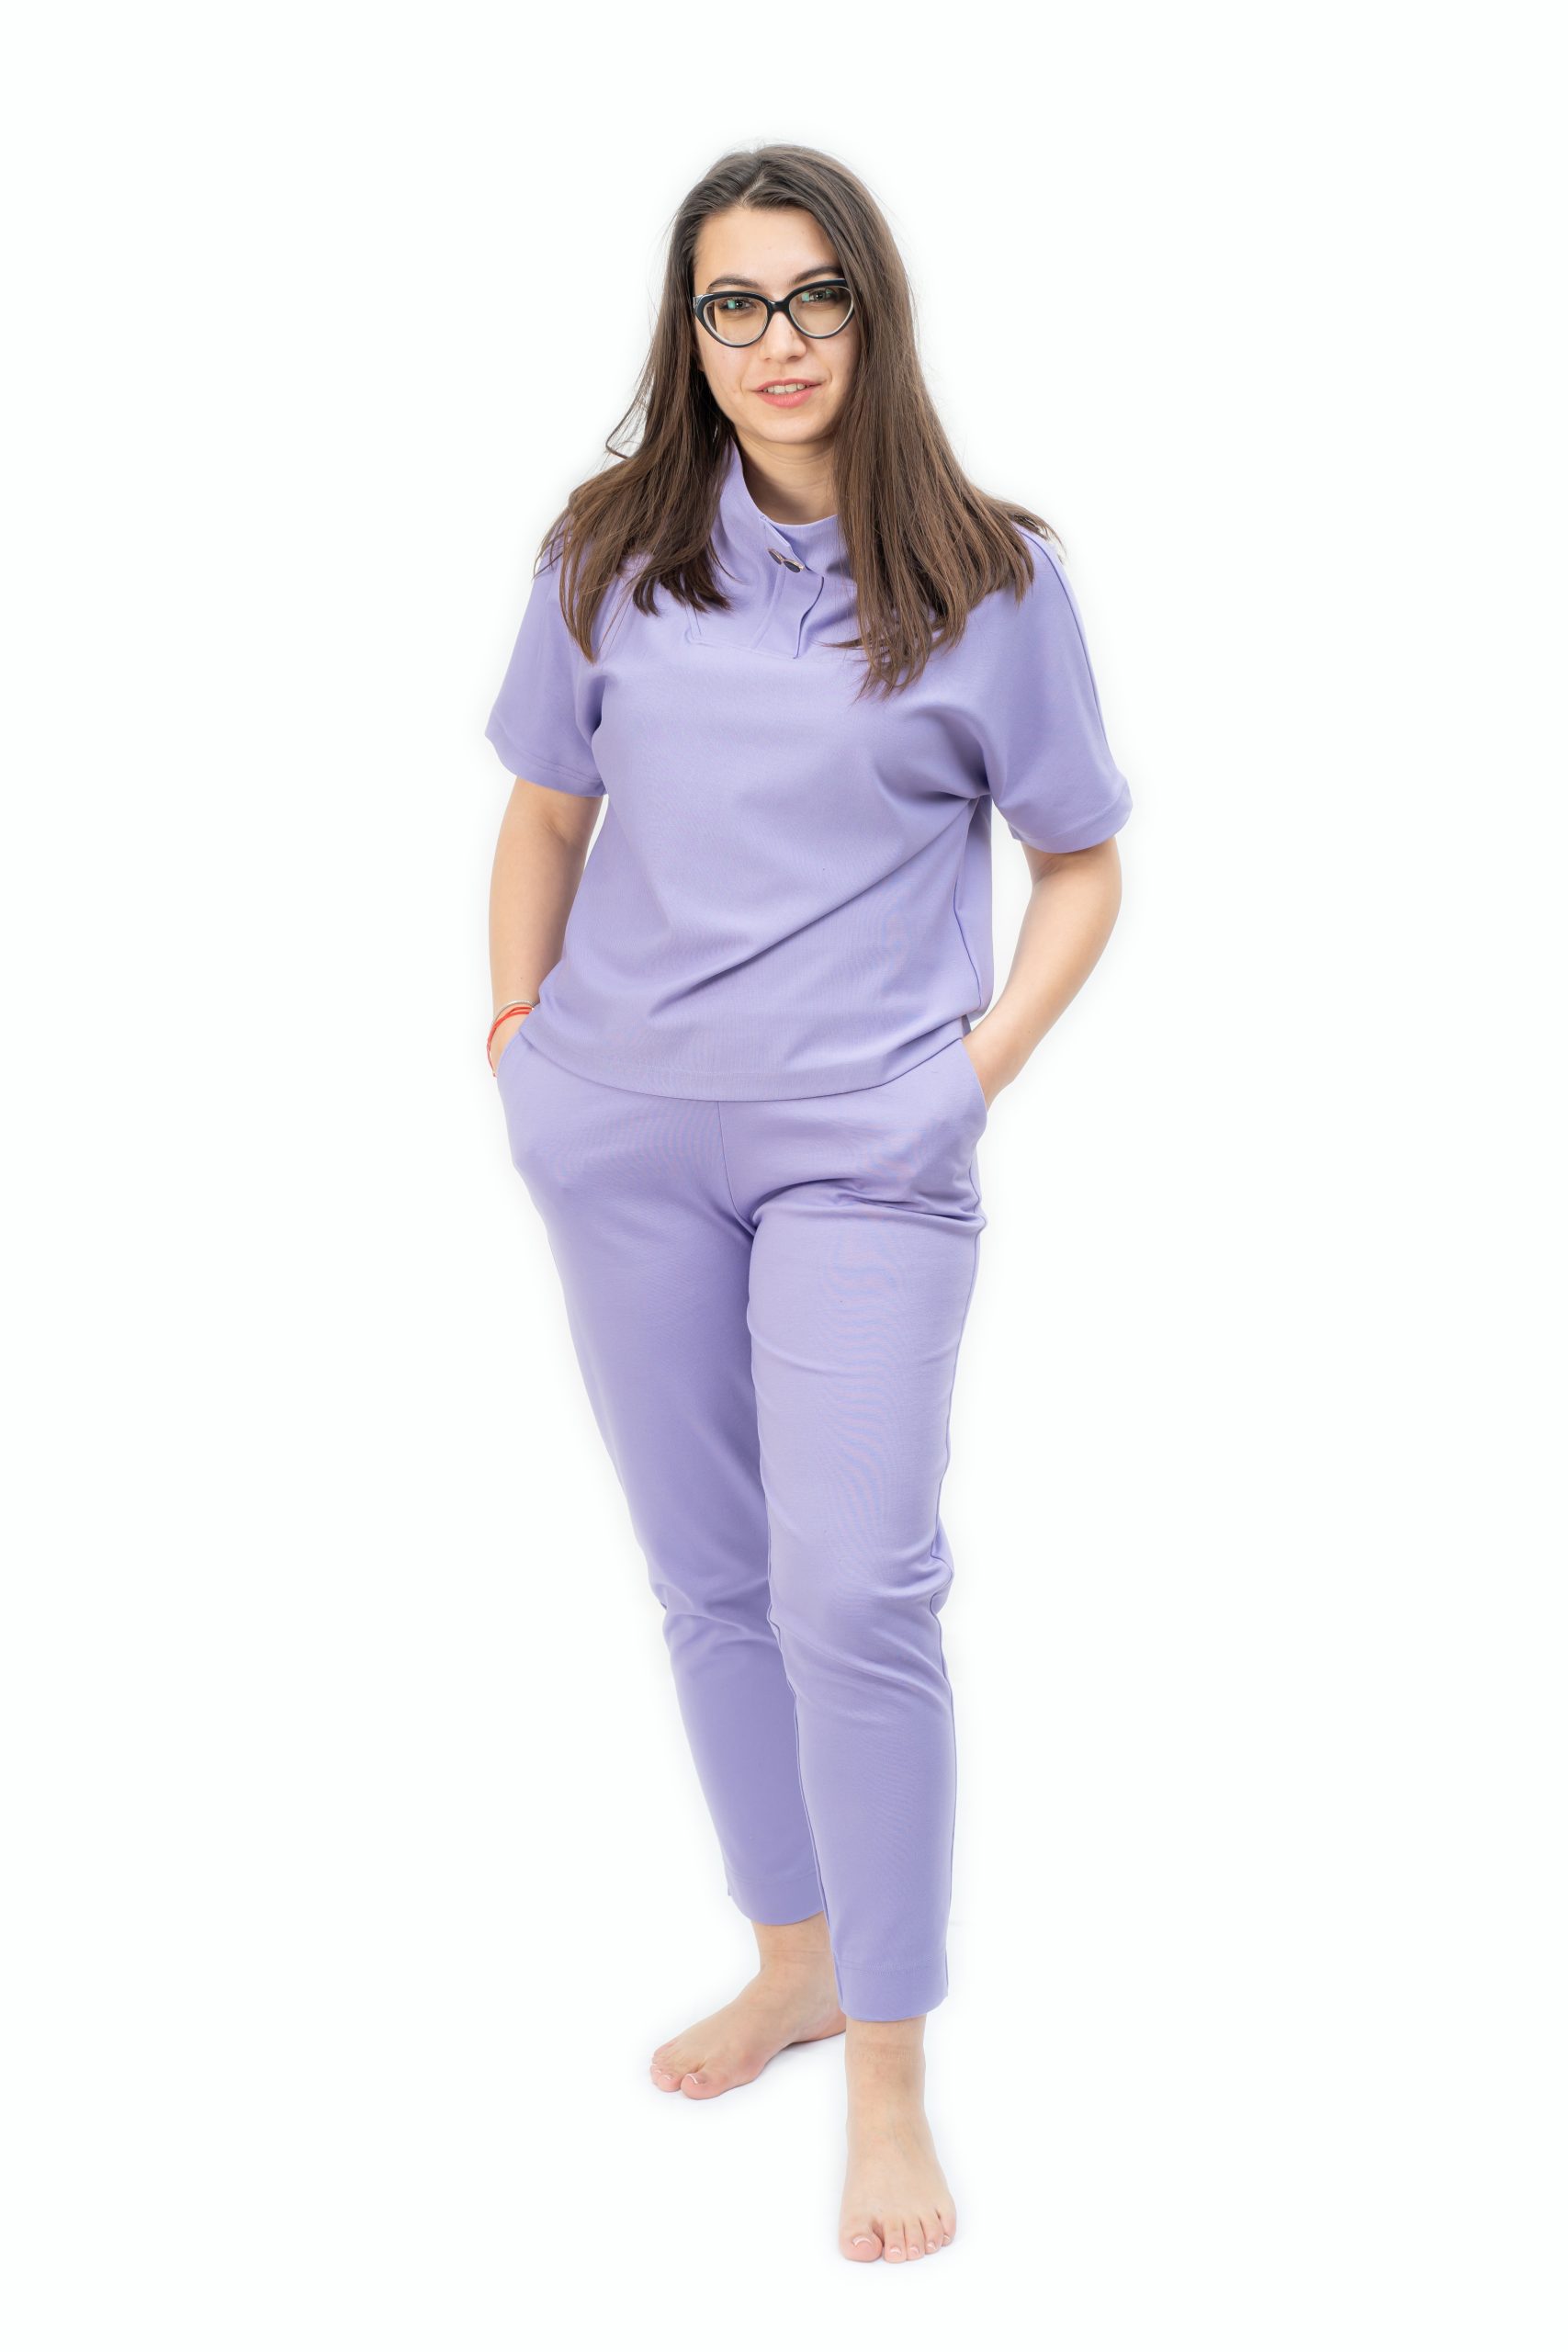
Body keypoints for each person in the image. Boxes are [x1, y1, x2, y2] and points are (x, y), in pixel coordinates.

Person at [481, 143, 1133, 2266]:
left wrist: (964, 1074)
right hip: (621, 1138)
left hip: (865, 1147)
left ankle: (886, 2068)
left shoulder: (990, 579)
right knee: (710, 1575)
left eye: (813, 294)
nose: (776, 340)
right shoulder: (607, 553)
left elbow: (1079, 860)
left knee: (852, 1584)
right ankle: (791, 1958)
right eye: (731, 303)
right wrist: (517, 1040)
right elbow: (544, 813)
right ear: (687, 333)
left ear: (873, 309)